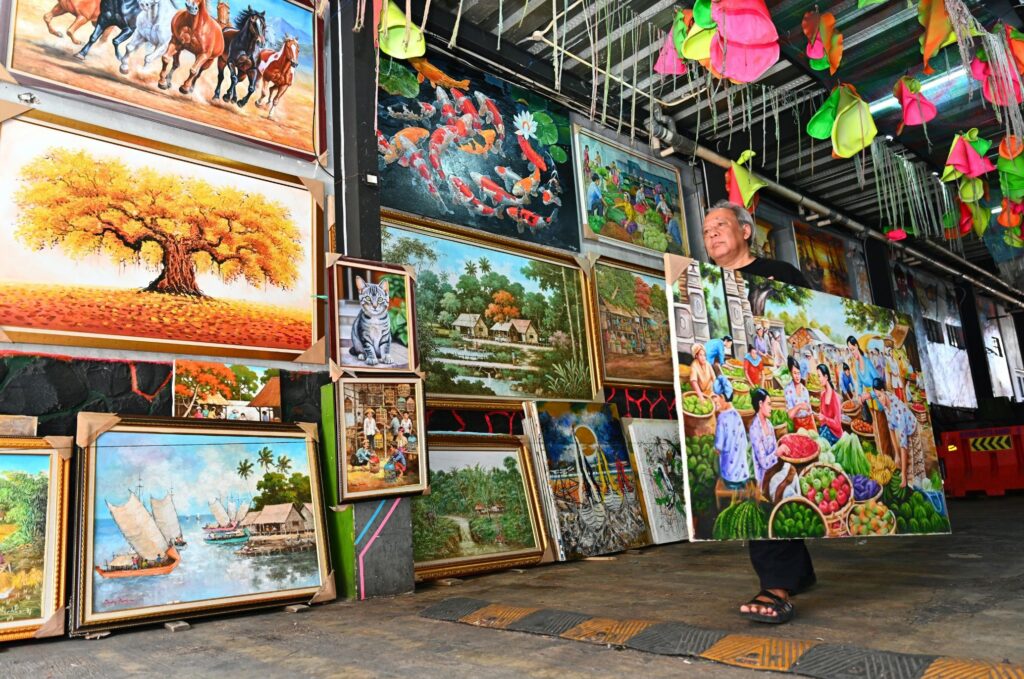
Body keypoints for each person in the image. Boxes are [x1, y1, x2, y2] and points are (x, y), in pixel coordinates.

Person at [701, 200, 814, 625]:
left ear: (745, 231)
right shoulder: (707, 283)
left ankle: (777, 585)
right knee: (760, 476)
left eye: (720, 226)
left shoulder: (780, 276)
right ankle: (788, 575)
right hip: (740, 395)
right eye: (706, 229)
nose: (711, 234)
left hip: (780, 391)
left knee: (771, 476)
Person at [867, 378, 925, 488]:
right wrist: (897, 454)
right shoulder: (885, 401)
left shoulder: (898, 410)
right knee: (903, 461)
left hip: (912, 429)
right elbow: (891, 428)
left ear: (883, 391)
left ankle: (917, 485)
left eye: (879, 396)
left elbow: (903, 445)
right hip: (904, 429)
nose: (879, 399)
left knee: (913, 463)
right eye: (877, 396)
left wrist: (903, 475)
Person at [711, 375, 751, 488]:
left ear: (723, 397)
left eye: (716, 398)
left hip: (730, 473)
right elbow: (744, 441)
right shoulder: (737, 415)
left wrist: (715, 451)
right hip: (742, 472)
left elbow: (718, 447)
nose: (715, 402)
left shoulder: (722, 418)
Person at [815, 364, 843, 445]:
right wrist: (819, 417)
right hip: (826, 429)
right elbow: (822, 418)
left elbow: (837, 425)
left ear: (826, 377)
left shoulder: (835, 398)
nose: (818, 379)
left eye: (819, 376)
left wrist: (825, 419)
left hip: (834, 434)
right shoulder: (823, 395)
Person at [785, 356, 814, 431]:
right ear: (790, 373)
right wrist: (799, 406)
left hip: (808, 424)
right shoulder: (788, 390)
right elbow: (789, 416)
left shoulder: (804, 390)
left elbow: (810, 413)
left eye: (798, 373)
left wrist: (815, 430)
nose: (797, 376)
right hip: (796, 426)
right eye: (794, 373)